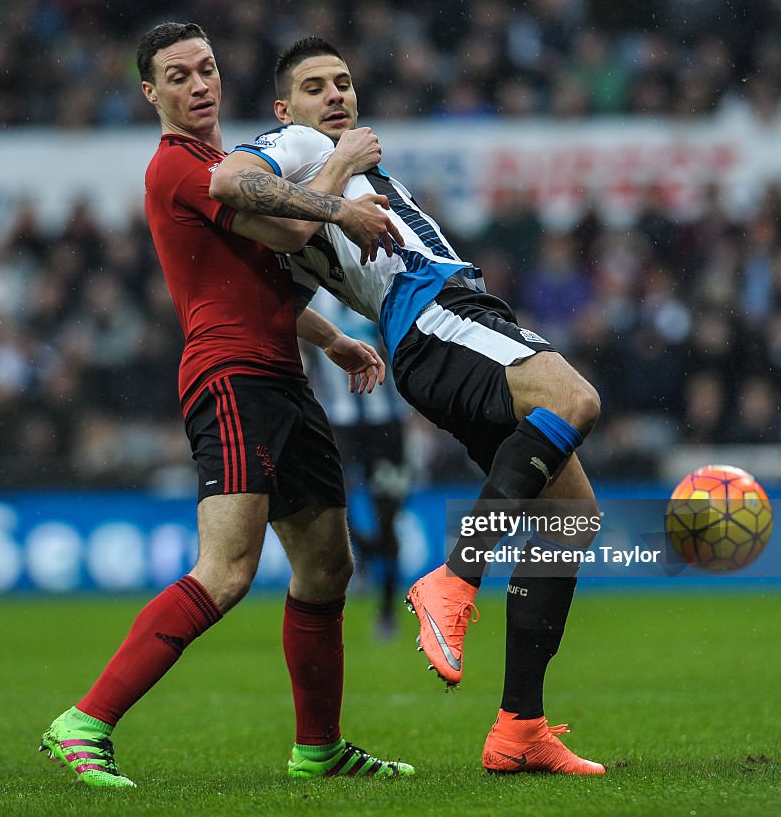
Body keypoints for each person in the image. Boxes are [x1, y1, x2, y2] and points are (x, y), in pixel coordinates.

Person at [211, 37, 605, 775]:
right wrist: (336, 174)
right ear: (283, 108)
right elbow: (228, 181)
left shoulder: (318, 193)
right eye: (315, 86)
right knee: (576, 397)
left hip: (444, 323)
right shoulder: (298, 146)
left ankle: (520, 726)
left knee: (571, 517)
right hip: (434, 314)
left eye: (344, 83)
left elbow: (280, 272)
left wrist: (329, 336)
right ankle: (455, 577)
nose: (336, 97)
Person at [39, 22, 414, 788]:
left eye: (206, 69)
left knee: (326, 564)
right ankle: (84, 722)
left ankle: (319, 748)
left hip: (281, 373)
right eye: (178, 76)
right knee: (227, 570)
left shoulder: (221, 163)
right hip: (231, 377)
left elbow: (254, 270)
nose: (199, 85)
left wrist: (328, 340)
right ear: (152, 94)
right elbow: (300, 225)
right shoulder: (180, 168)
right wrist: (341, 168)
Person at [308, 288, 411, 638]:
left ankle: (386, 611)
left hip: (387, 425)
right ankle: (363, 555)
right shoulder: (314, 298)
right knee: (337, 503)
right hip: (340, 423)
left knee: (389, 517)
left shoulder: (374, 290)